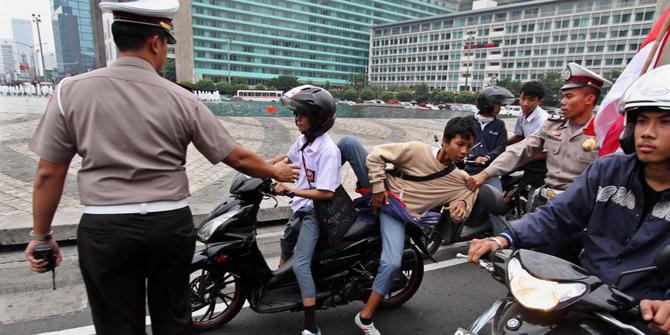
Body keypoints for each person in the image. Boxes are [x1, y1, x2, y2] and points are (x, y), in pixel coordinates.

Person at [24, 1, 299, 334]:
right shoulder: (181, 98)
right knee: (173, 319)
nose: (165, 52)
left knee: (116, 324)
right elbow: (235, 156)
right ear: (155, 42)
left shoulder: (70, 91)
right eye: (166, 45)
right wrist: (275, 172)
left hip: (106, 229)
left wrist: (41, 236)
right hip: (168, 227)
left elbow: (48, 173)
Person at [467, 65, 670, 335]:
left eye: (664, 122)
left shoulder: (600, 130)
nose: (647, 132)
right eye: (642, 120)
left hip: (644, 313)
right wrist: (505, 237)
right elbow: (559, 214)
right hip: (587, 291)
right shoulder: (608, 171)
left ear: (589, 98)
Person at [337, 117, 479, 334]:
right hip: (381, 191)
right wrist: (377, 186)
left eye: (469, 146)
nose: (464, 151)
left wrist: (460, 204)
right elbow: (376, 155)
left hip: (396, 212)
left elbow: (462, 210)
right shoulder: (417, 150)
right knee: (348, 142)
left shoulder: (461, 180)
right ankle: (316, 184)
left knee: (392, 263)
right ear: (445, 141)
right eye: (460, 144)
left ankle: (365, 318)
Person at [467, 63, 612, 210]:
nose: (562, 102)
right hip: (548, 201)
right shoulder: (553, 125)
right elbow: (524, 148)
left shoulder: (605, 132)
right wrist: (486, 173)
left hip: (580, 205)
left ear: (589, 98)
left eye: (569, 96)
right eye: (562, 96)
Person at [272, 85, 341, 335]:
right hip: (300, 206)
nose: (296, 119)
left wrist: (291, 190)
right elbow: (287, 159)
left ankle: (312, 326)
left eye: (301, 114)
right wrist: (260, 166)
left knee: (301, 265)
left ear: (318, 119)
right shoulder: (304, 140)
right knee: (285, 244)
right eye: (296, 114)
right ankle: (278, 284)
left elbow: (326, 193)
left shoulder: (328, 151)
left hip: (316, 211)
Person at [461, 86, 514, 233]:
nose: (500, 108)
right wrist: (471, 155)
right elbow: (460, 142)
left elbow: (501, 147)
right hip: (467, 169)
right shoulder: (467, 122)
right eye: (497, 104)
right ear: (487, 104)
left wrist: (487, 157)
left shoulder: (499, 125)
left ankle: (502, 239)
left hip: (490, 172)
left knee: (496, 205)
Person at [505, 81, 549, 211]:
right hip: (526, 155)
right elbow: (519, 136)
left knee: (533, 200)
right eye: (523, 98)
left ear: (539, 101)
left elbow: (545, 152)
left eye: (531, 100)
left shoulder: (544, 120)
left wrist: (517, 156)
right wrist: (501, 145)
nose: (525, 103)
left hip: (540, 162)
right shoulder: (522, 114)